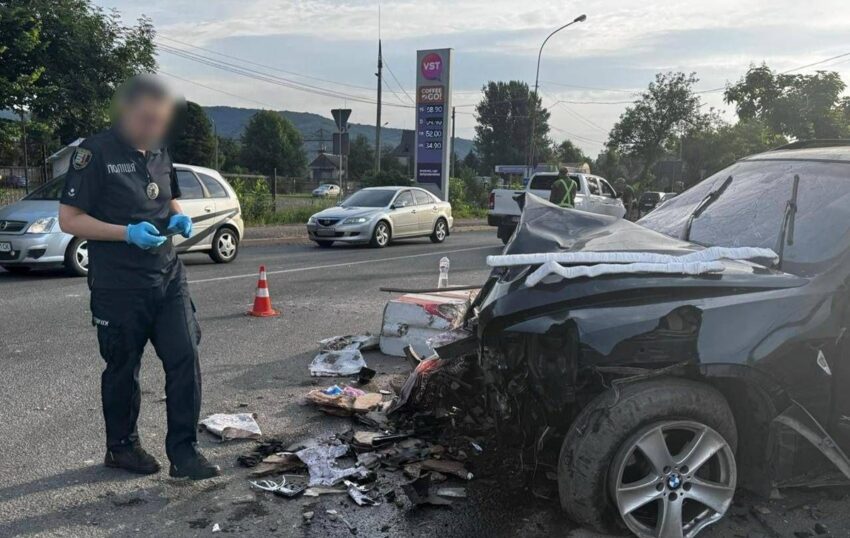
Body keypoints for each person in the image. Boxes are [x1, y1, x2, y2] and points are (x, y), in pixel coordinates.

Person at [58, 75, 219, 480]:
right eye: (146, 119)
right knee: (122, 366)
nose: (153, 128)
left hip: (168, 276)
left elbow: (167, 196)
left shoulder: (161, 149)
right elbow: (68, 219)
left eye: (160, 121)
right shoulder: (93, 153)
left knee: (185, 357)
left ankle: (185, 453)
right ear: (126, 111)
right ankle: (122, 448)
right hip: (119, 285)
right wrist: (126, 233)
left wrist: (177, 214)